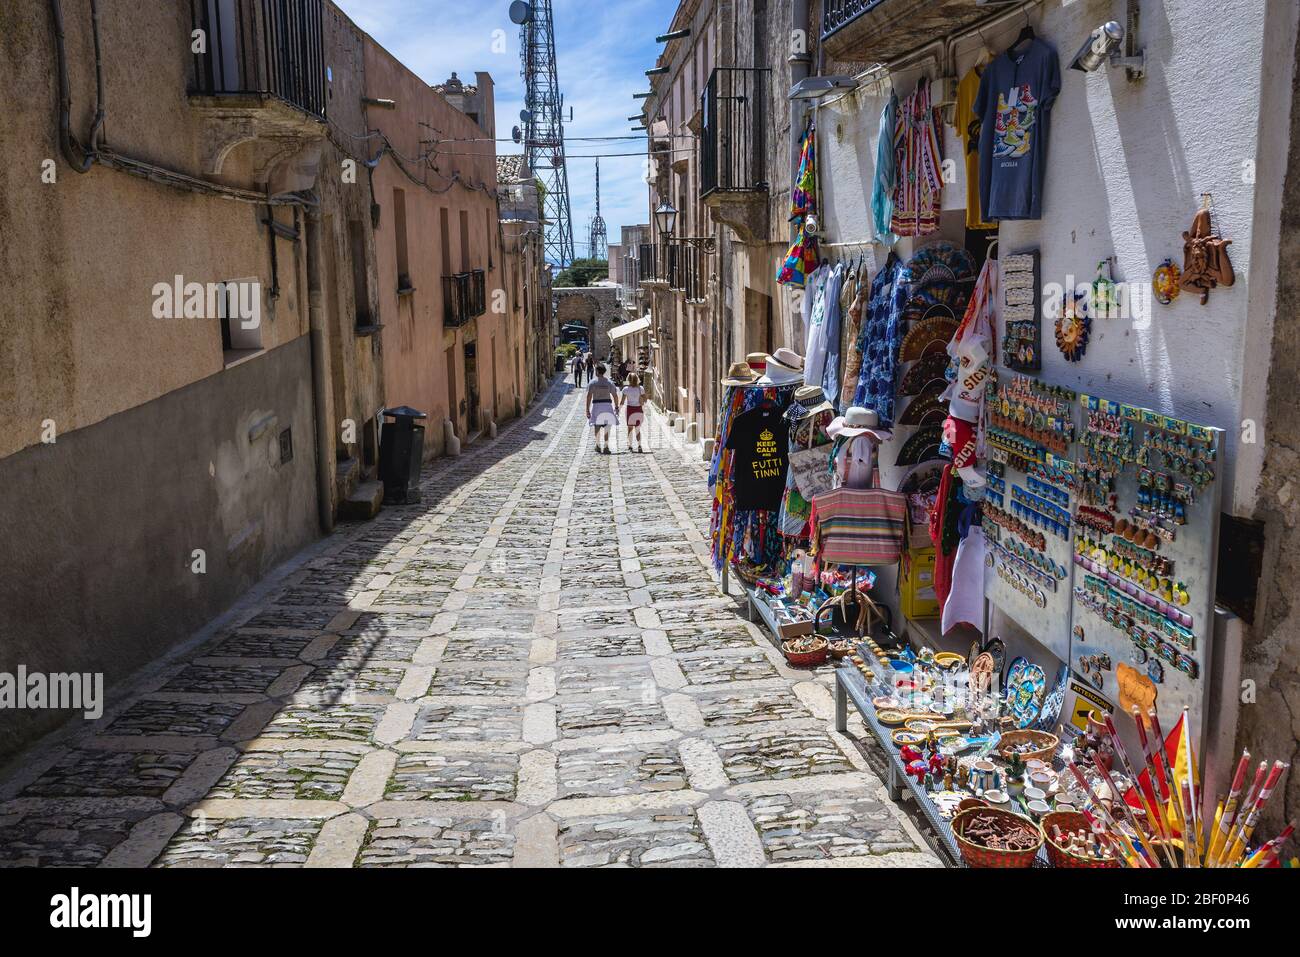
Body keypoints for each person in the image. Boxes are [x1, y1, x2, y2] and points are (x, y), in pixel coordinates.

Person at [586, 363, 619, 454]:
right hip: (607, 406)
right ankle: (606, 446)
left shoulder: (592, 382)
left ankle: (597, 445)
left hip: (597, 406)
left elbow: (589, 397)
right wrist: (616, 407)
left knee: (597, 426)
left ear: (597, 371)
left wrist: (587, 410)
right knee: (607, 427)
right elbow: (615, 396)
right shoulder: (609, 382)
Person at [620, 373, 646, 453]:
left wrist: (618, 410)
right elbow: (645, 399)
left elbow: (622, 402)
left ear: (628, 380)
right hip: (638, 409)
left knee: (630, 428)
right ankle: (639, 445)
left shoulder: (625, 389)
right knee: (638, 429)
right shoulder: (640, 388)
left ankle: (630, 445)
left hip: (630, 410)